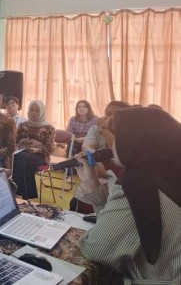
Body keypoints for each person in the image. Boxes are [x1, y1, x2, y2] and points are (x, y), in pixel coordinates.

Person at [75, 107, 181, 283]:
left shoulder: (139, 185)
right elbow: (117, 225)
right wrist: (92, 179)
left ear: (135, 142)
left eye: (117, 137)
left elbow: (97, 249)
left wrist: (86, 237)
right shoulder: (169, 173)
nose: (112, 144)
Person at [12, 100, 56, 199]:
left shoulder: (49, 128)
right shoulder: (23, 125)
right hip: (22, 155)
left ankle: (19, 192)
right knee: (20, 158)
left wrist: (36, 150)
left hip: (40, 157)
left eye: (37, 110)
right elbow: (15, 141)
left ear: (42, 112)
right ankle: (25, 194)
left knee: (21, 159)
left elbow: (50, 148)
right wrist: (18, 146)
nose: (33, 113)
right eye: (31, 110)